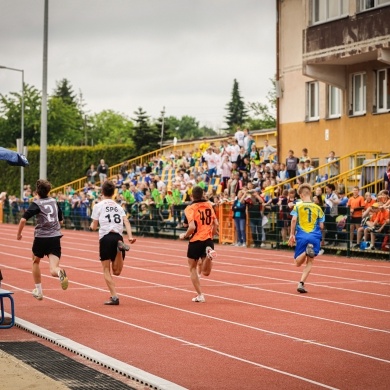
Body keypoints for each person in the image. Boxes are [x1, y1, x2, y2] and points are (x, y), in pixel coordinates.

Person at [16, 179, 69, 300]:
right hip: (55, 237)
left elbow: (23, 219)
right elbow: (61, 221)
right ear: (49, 191)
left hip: (41, 238)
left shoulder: (37, 203)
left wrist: (19, 234)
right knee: (53, 268)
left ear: (37, 192)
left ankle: (39, 291)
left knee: (35, 262)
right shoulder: (54, 202)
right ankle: (60, 272)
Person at [90, 180, 136, 305]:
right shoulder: (118, 206)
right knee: (117, 272)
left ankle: (114, 296)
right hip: (118, 237)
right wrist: (130, 236)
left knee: (106, 270)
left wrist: (91, 226)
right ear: (114, 192)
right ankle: (119, 249)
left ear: (102, 192)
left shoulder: (98, 206)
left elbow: (94, 226)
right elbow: (126, 221)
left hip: (105, 237)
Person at [179, 186, 219, 303]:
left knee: (192, 268)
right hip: (208, 239)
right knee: (206, 272)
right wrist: (211, 235)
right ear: (202, 194)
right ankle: (208, 254)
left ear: (192, 195)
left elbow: (191, 227)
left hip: (196, 240)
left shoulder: (190, 208)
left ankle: (200, 295)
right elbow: (216, 224)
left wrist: (184, 236)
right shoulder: (209, 205)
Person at [288, 183, 325, 294]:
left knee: (297, 263)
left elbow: (294, 220)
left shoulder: (298, 206)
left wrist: (291, 234)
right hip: (314, 236)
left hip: (302, 235)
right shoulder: (318, 208)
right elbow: (322, 226)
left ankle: (305, 251)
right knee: (310, 262)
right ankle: (301, 283)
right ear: (310, 194)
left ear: (301, 195)